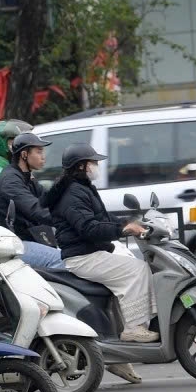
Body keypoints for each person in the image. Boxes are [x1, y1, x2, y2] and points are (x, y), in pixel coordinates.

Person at [51, 143, 158, 351]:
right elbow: (89, 228)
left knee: (132, 264)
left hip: (92, 252)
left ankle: (132, 328)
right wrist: (123, 230)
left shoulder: (82, 188)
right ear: (81, 166)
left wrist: (130, 223)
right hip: (83, 257)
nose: (97, 166)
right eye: (93, 162)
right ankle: (134, 328)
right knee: (137, 270)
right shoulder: (72, 194)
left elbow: (103, 218)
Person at [0, 132, 67, 271]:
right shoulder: (11, 180)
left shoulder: (25, 177)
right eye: (39, 152)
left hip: (27, 239)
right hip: (12, 245)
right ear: (24, 155)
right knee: (63, 261)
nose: (43, 157)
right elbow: (36, 210)